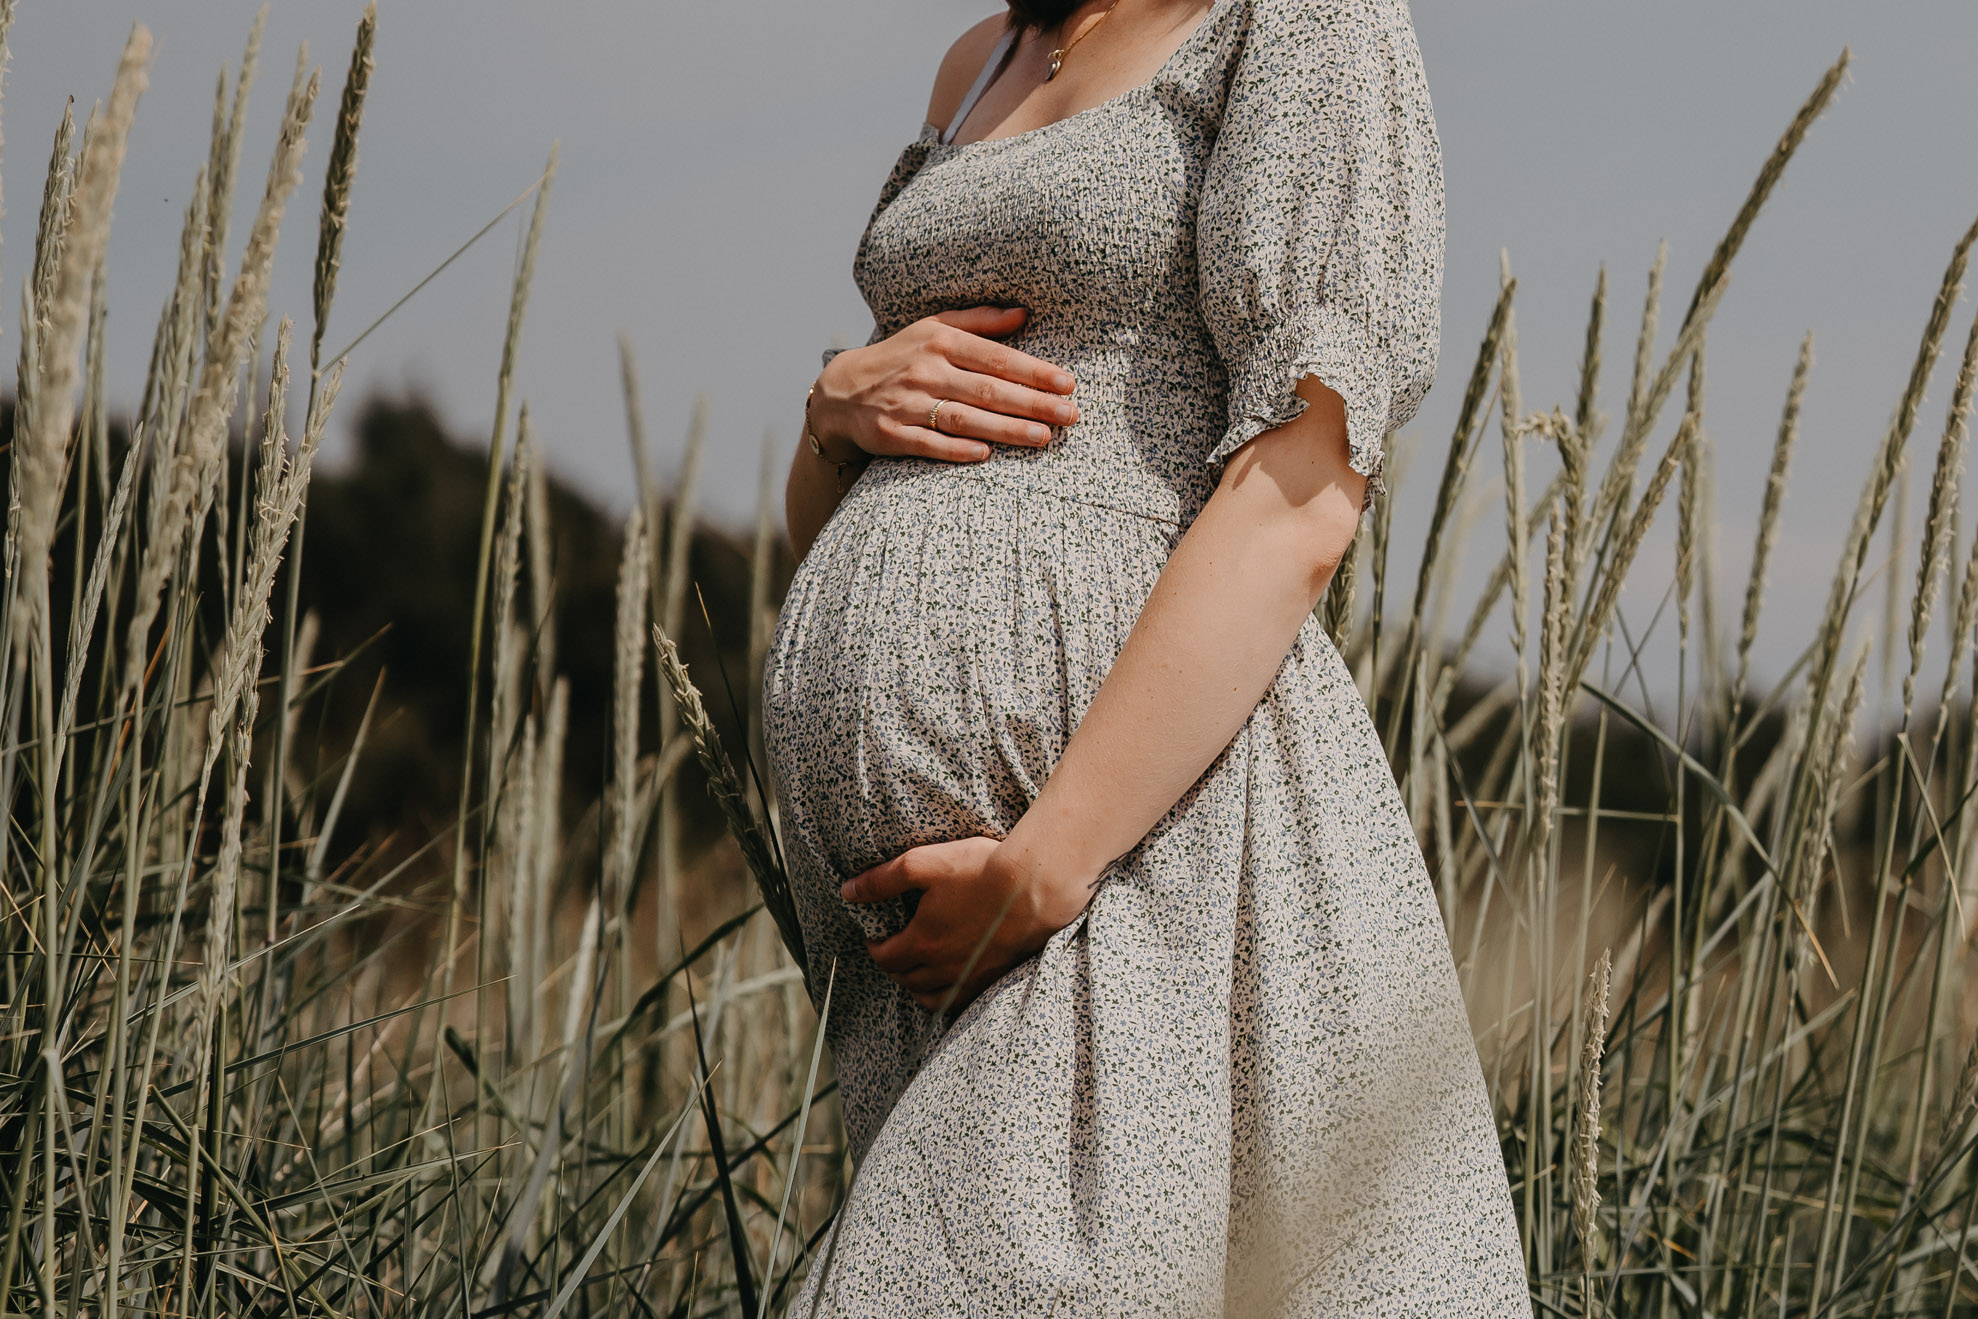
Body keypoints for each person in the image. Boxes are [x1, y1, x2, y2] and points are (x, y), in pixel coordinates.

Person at [761, 0, 1530, 1312]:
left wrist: (1047, 860)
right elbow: (832, 526)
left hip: (1132, 853)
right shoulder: (979, 61)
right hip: (935, 939)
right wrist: (835, 408)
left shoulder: (1297, 19)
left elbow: (1303, 489)